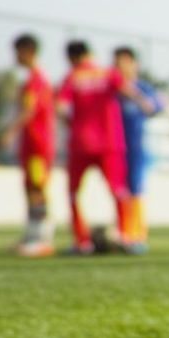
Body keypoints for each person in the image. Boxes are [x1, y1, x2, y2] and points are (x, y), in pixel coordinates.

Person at [57, 40, 151, 255]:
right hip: (110, 142)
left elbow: (61, 108)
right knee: (118, 191)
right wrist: (144, 102)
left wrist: (73, 124)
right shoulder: (107, 73)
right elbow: (128, 90)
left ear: (71, 58)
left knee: (73, 193)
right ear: (89, 53)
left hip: (80, 143)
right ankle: (125, 236)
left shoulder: (72, 77)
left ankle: (82, 242)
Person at [0, 33, 55, 257]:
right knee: (30, 188)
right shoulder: (34, 79)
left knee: (37, 189)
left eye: (18, 52)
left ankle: (42, 238)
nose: (15, 57)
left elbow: (29, 110)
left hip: (37, 145)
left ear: (28, 52)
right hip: (31, 146)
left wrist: (9, 132)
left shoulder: (35, 80)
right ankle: (32, 235)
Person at [114, 47, 162, 253]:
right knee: (119, 191)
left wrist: (146, 102)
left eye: (124, 62)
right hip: (114, 147)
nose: (119, 66)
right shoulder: (113, 88)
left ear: (134, 64)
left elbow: (159, 104)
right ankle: (123, 231)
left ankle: (137, 234)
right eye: (117, 62)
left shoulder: (142, 88)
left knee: (135, 189)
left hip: (135, 147)